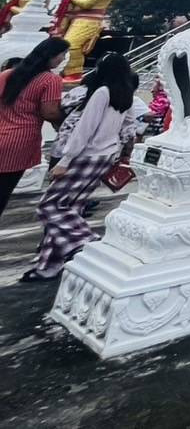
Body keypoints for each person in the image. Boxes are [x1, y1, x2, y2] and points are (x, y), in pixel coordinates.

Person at [23, 52, 135, 282]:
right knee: (71, 206)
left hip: (85, 154)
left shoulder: (102, 93)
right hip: (104, 156)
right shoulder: (125, 95)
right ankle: (49, 265)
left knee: (50, 207)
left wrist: (65, 160)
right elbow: (128, 128)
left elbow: (85, 128)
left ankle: (87, 242)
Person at [0, 38, 68, 216]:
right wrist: (67, 120)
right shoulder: (50, 80)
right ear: (52, 57)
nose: (63, 59)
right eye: (62, 55)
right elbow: (50, 112)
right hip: (20, 140)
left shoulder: (8, 74)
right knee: (3, 189)